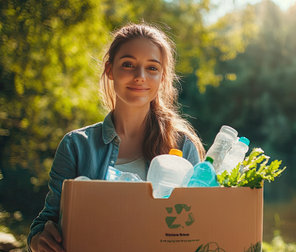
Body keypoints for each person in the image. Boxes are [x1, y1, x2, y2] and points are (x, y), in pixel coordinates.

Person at [28, 23, 205, 252]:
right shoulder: (76, 146)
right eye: (128, 64)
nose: (140, 77)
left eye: (152, 68)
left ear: (162, 77)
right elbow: (45, 222)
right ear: (110, 70)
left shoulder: (182, 145)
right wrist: (39, 239)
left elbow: (200, 224)